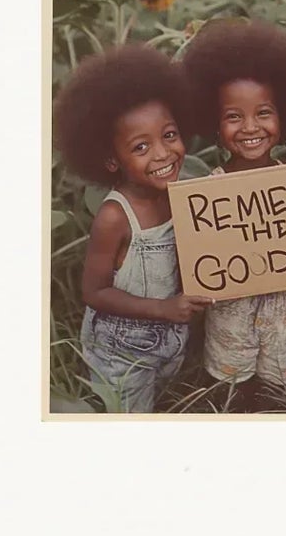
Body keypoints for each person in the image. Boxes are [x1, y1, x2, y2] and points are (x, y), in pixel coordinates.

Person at [52, 44, 202, 413]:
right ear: (110, 159)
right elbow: (94, 291)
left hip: (169, 342)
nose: (163, 154)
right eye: (141, 147)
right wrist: (164, 308)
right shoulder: (115, 217)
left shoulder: (178, 195)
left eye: (169, 135)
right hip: (120, 354)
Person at [180, 19, 286, 410]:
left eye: (263, 113)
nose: (250, 127)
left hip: (283, 320)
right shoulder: (206, 195)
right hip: (228, 324)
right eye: (234, 116)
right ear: (213, 125)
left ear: (283, 116)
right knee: (228, 395)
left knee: (277, 395)